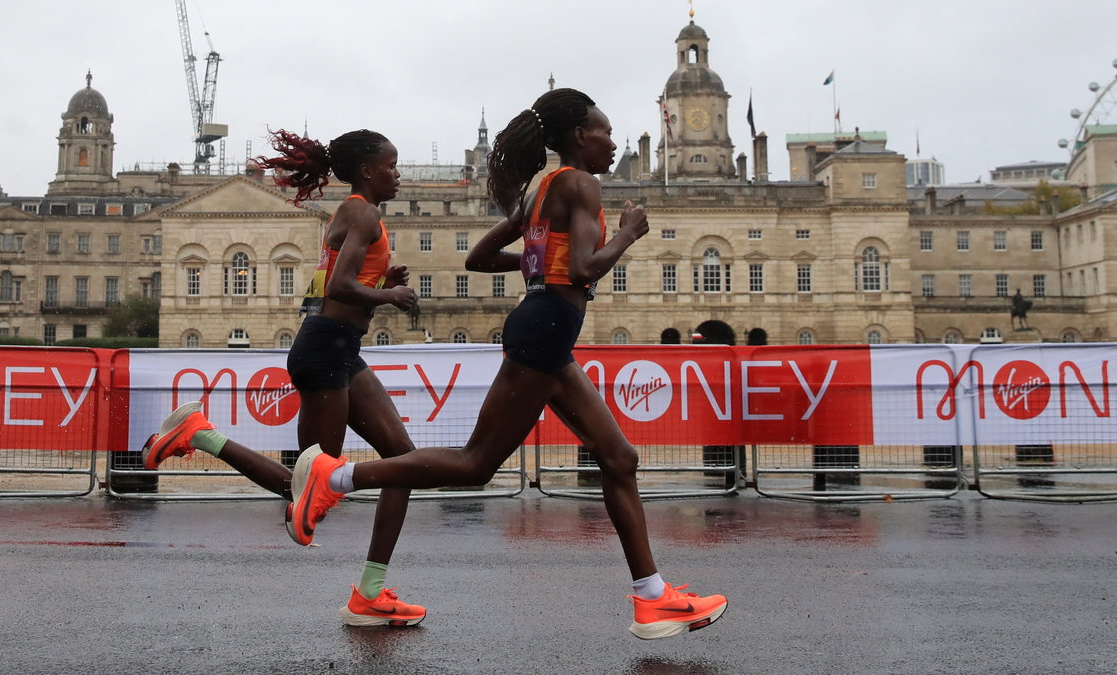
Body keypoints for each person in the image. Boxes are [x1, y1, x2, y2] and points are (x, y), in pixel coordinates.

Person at [285, 88, 728, 639]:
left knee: (619, 457)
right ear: (578, 137)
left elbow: (479, 259)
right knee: (475, 465)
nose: (612, 143)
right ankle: (336, 476)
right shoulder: (580, 183)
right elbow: (587, 269)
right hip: (545, 330)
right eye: (605, 132)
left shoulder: (539, 188)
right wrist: (629, 234)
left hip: (545, 328)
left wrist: (539, 261)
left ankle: (653, 597)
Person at [141, 127, 425, 628]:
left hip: (339, 348)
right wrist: (389, 297)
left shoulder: (354, 215)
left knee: (403, 461)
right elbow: (338, 286)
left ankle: (371, 593)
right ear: (366, 171)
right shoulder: (362, 211)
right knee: (309, 489)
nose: (397, 174)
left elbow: (328, 286)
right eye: (390, 165)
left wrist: (382, 282)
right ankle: (198, 435)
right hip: (325, 350)